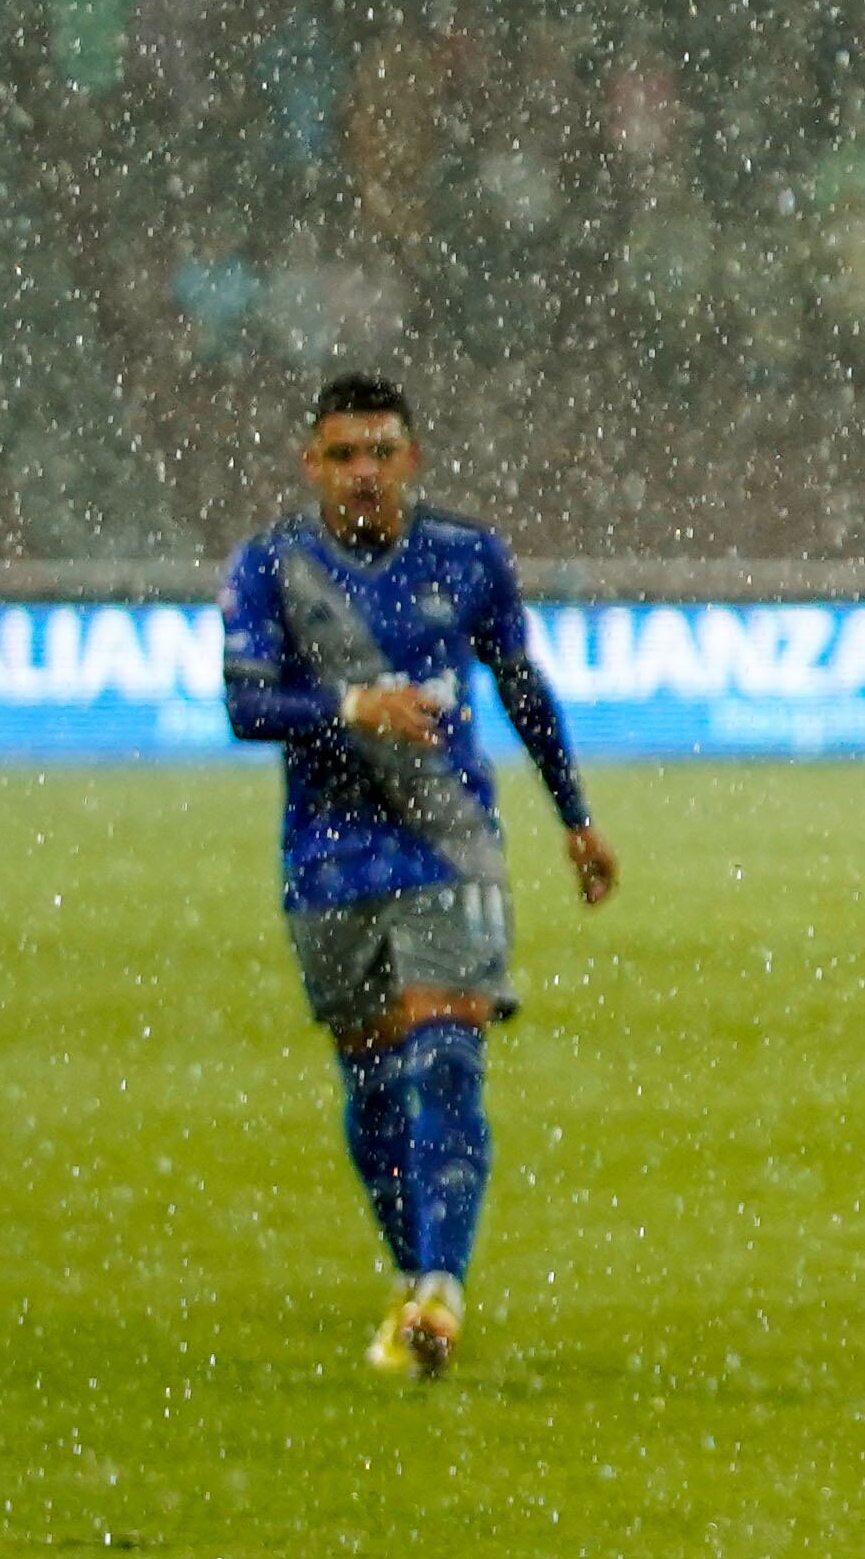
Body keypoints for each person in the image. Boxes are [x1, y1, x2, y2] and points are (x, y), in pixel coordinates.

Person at [222, 375, 619, 1378]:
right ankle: (413, 1271)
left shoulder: (467, 556)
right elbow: (247, 706)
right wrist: (355, 708)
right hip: (330, 855)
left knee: (445, 1052)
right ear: (311, 463)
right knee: (372, 1080)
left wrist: (574, 818)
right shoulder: (270, 567)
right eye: (344, 454)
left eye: (382, 452)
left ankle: (443, 1286)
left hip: (451, 845)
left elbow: (522, 682)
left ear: (414, 458)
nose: (364, 472)